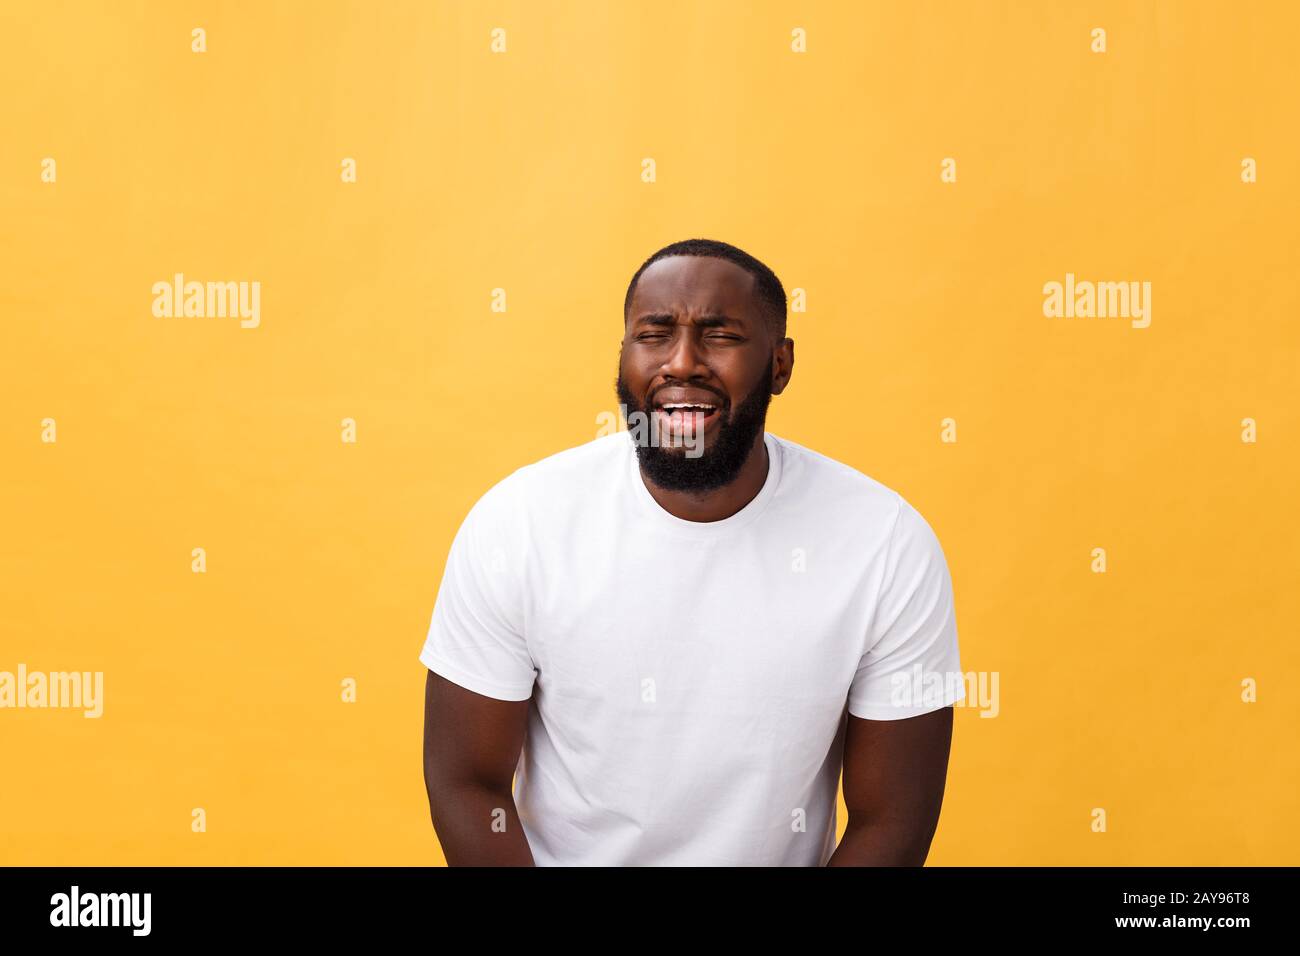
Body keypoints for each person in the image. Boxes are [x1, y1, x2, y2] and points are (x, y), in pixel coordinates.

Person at [421, 238, 965, 865]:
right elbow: (467, 784)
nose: (681, 363)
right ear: (622, 355)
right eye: (653, 335)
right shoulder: (518, 525)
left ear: (780, 365)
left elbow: (893, 820)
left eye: (721, 336)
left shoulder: (885, 543)